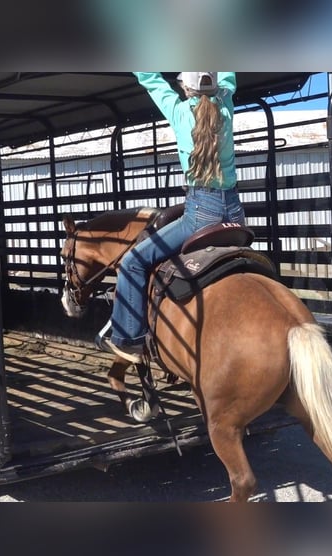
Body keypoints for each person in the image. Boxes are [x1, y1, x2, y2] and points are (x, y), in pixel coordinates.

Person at [102, 72, 244, 363]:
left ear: (184, 87)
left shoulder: (178, 111)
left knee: (133, 262)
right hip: (235, 212)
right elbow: (228, 75)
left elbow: (151, 79)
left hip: (201, 212)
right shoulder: (226, 103)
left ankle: (129, 340)